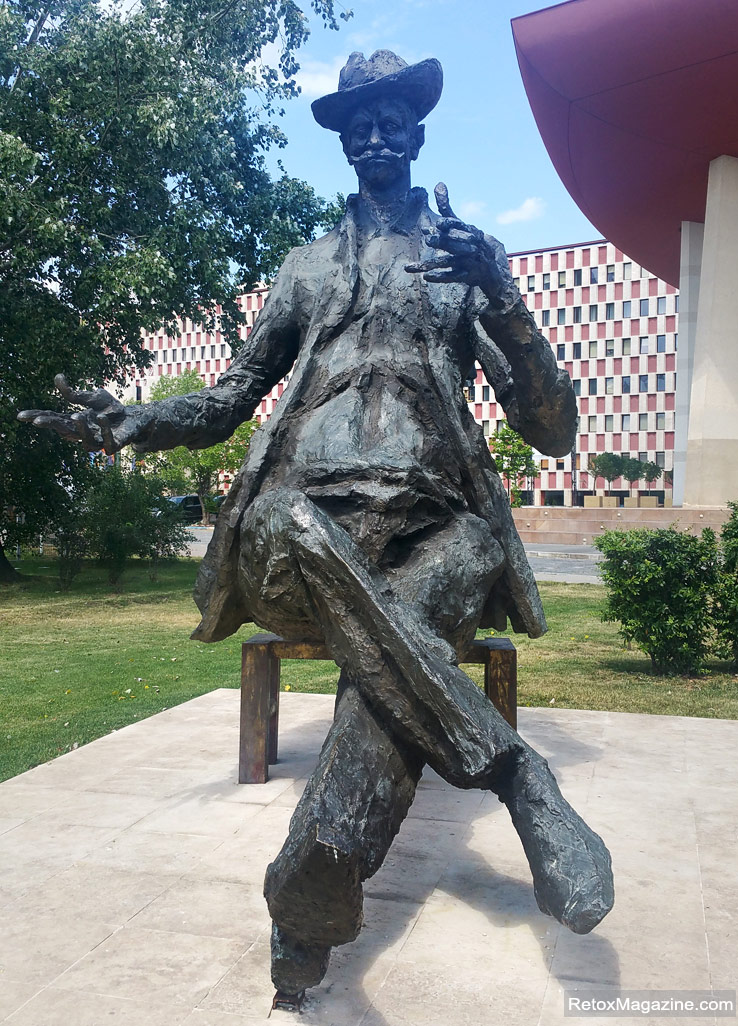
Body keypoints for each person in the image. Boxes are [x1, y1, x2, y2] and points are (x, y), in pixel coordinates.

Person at [19, 50, 613, 998]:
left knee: (444, 579)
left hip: (434, 528)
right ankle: (518, 779)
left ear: (417, 131)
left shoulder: (468, 260)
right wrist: (135, 420)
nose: (374, 133)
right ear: (343, 143)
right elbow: (227, 399)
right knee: (295, 521)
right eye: (356, 122)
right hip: (302, 533)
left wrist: (506, 298)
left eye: (389, 117)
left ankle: (309, 899)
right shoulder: (302, 268)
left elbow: (554, 429)